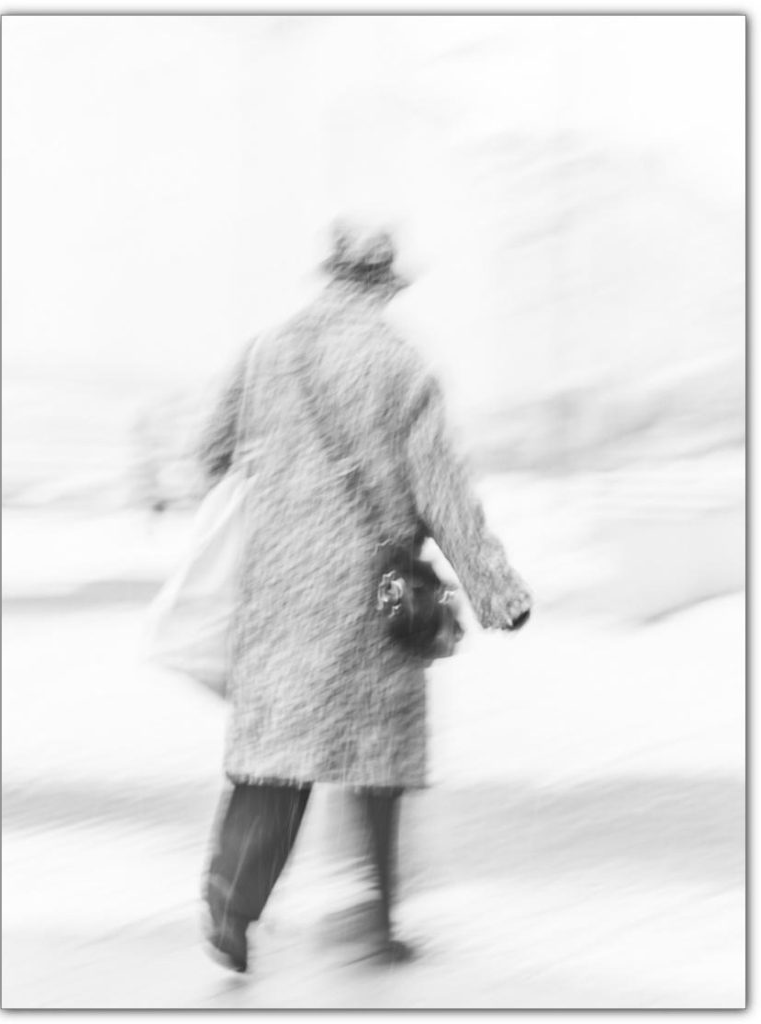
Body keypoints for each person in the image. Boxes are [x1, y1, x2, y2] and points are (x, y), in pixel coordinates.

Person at [196, 222, 533, 972]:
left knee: (273, 759)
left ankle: (230, 906)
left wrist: (277, 485)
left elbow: (209, 452)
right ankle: (377, 923)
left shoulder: (265, 351)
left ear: (329, 276)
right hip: (373, 595)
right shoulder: (400, 362)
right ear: (384, 285)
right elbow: (445, 494)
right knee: (374, 760)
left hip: (278, 592)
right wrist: (495, 591)